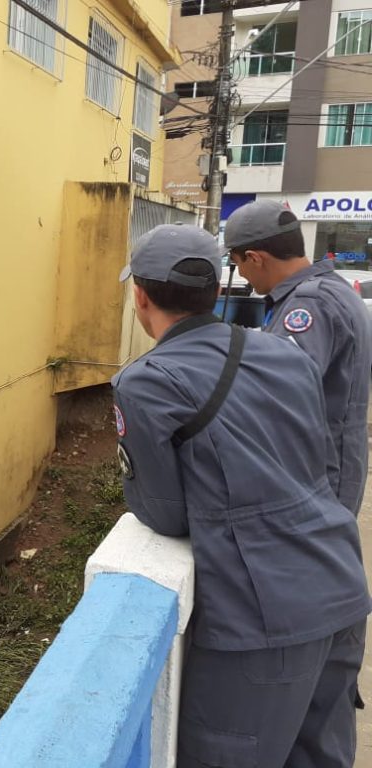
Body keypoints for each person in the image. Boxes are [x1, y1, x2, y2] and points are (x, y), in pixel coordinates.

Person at [112, 223, 370, 768]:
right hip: (339, 584)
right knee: (323, 757)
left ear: (141, 295)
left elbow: (164, 513)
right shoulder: (284, 354)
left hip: (262, 620)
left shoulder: (147, 382)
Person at [225, 200, 372, 516]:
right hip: (331, 469)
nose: (242, 275)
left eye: (238, 264)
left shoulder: (308, 305)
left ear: (255, 258)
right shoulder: (334, 289)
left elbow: (275, 395)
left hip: (315, 480)